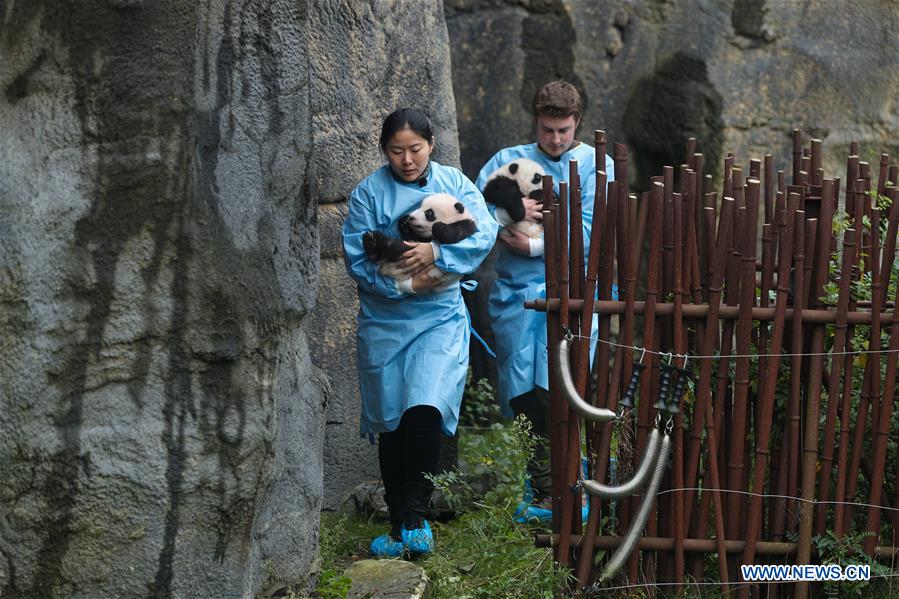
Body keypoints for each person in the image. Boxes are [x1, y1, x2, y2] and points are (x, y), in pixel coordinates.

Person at [343, 108, 498, 557]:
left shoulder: (454, 184)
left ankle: (416, 517)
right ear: (384, 150)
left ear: (431, 143)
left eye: (415, 148)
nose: (407, 159)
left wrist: (435, 252)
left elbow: (483, 232)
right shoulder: (368, 193)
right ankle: (399, 528)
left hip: (439, 319)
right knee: (392, 420)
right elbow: (358, 258)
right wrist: (408, 283)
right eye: (396, 151)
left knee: (426, 408)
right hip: (385, 320)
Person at [475, 81, 615, 520]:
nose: (555, 139)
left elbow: (597, 230)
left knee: (568, 386)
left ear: (578, 123)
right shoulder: (506, 161)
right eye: (547, 129)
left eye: (564, 130)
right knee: (523, 391)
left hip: (577, 293)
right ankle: (544, 489)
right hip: (518, 294)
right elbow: (478, 217)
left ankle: (579, 484)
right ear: (535, 121)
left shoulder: (596, 165)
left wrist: (533, 245)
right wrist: (506, 222)